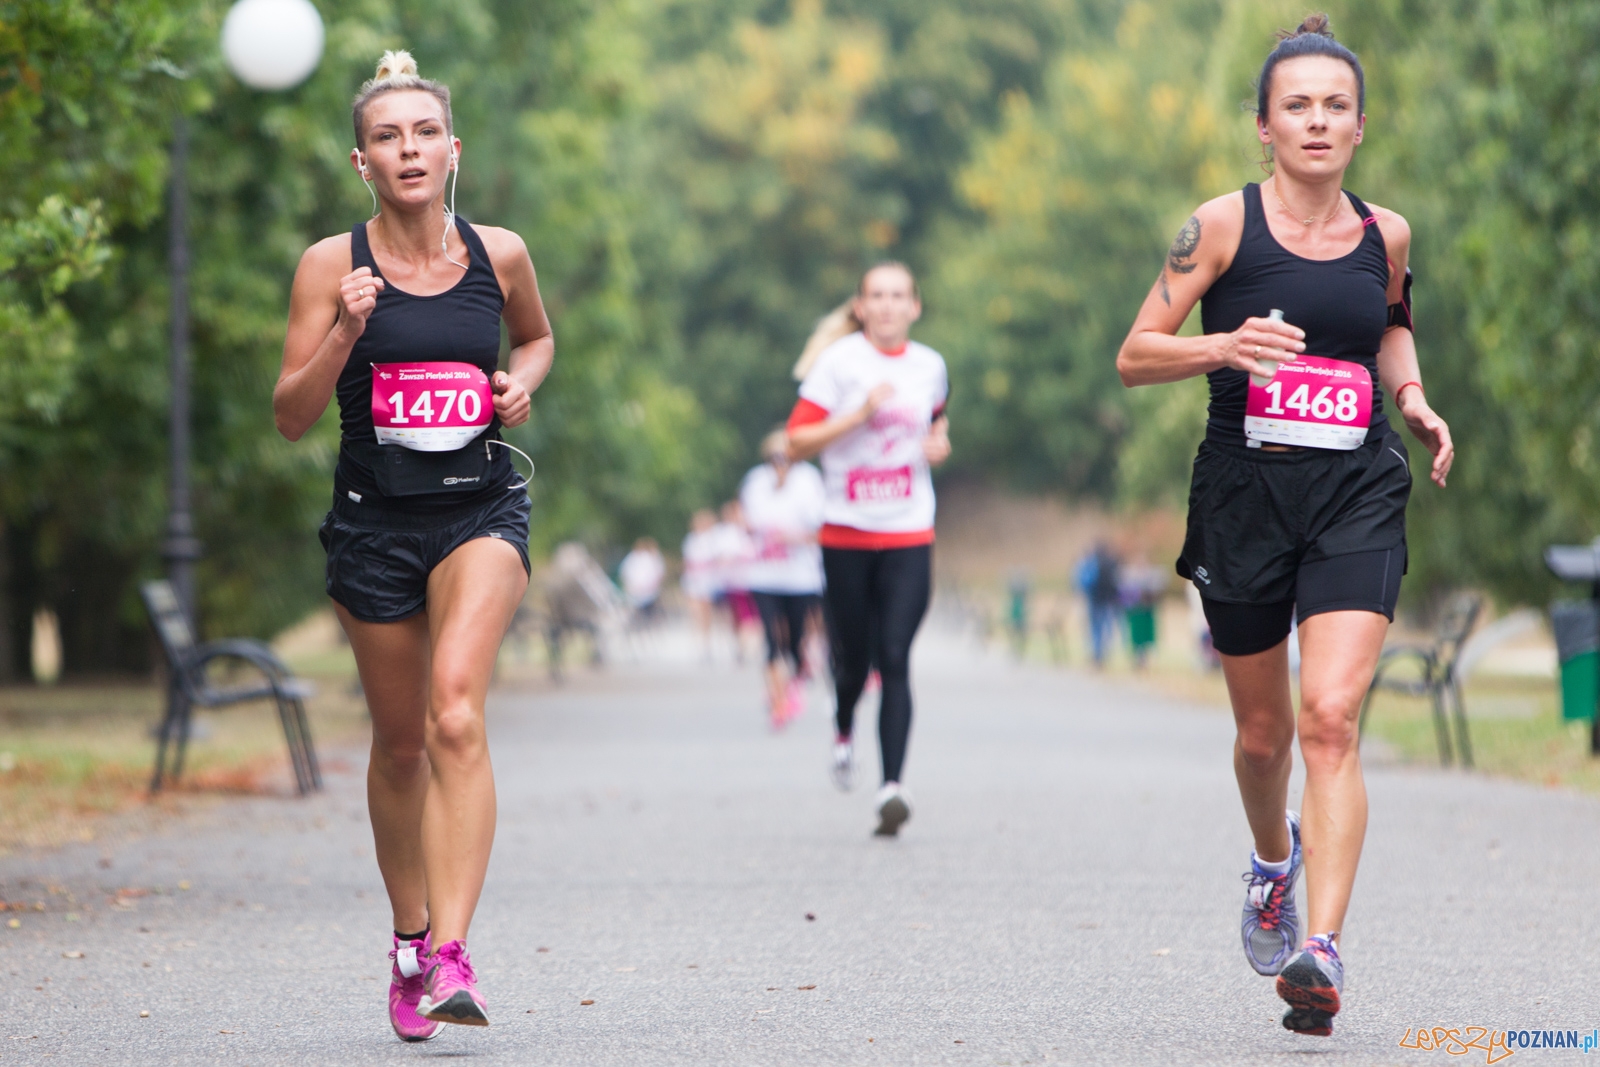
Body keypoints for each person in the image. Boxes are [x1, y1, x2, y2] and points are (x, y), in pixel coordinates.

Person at [1114, 15, 1453, 1037]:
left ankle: (1323, 946)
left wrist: (1413, 397)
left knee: (1330, 717)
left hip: (1355, 486)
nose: (1316, 120)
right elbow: (1134, 353)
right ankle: (1273, 863)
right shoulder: (1219, 227)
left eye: (1334, 106)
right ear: (1264, 126)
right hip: (1244, 493)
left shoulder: (1385, 233)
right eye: (1295, 105)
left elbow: (1389, 323)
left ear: (1358, 126)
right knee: (1262, 736)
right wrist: (1222, 345)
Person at [273, 51, 555, 1038]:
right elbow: (291, 416)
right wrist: (343, 336)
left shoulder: (500, 252)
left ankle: (451, 954)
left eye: (424, 133)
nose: (409, 149)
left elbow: (536, 338)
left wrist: (522, 383)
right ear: (362, 162)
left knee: (455, 716)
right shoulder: (327, 265)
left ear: (452, 150)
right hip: (374, 523)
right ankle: (407, 933)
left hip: (480, 509)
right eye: (388, 137)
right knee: (400, 750)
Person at [787, 262, 950, 836]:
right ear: (860, 307)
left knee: (896, 655)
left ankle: (892, 788)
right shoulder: (838, 365)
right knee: (853, 660)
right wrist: (857, 414)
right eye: (876, 296)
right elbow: (796, 440)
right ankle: (841, 723)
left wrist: (938, 444)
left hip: (909, 531)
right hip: (846, 534)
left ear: (915, 306)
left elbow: (936, 423)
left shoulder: (931, 366)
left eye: (897, 295)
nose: (886, 305)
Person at [740, 429, 826, 728]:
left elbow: (821, 531)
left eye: (786, 456)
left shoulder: (809, 481)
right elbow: (746, 522)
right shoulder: (755, 482)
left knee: (794, 640)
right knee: (772, 640)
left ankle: (795, 679)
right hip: (764, 574)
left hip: (800, 577)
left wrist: (793, 537)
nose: (780, 463)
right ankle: (778, 702)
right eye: (774, 457)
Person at [680, 509, 720, 661]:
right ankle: (699, 644)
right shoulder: (690, 539)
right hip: (693, 580)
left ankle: (706, 643)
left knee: (707, 614)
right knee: (695, 613)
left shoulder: (713, 538)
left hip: (708, 580)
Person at [1076, 541, 1121, 668]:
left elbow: (1084, 581)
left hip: (1094, 599)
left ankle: (1097, 654)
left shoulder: (1091, 562)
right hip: (1108, 600)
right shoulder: (1111, 562)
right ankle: (1105, 653)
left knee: (1095, 627)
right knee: (1107, 626)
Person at [619, 536, 666, 627]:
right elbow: (625, 573)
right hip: (635, 589)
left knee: (647, 605)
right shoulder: (632, 558)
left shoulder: (651, 557)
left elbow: (655, 573)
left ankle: (649, 621)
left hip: (648, 589)